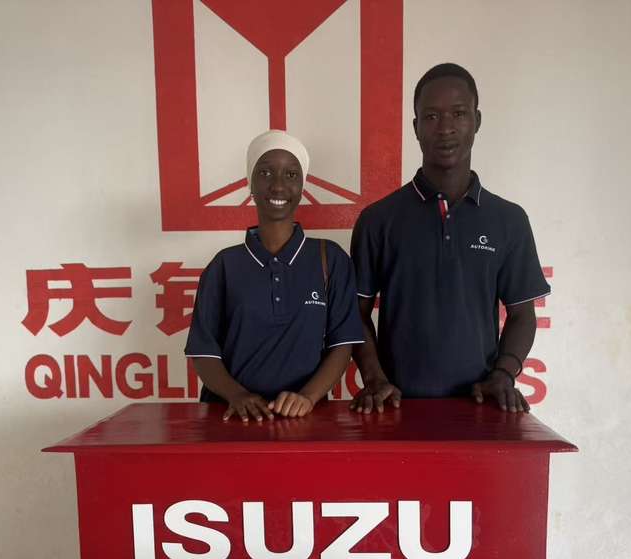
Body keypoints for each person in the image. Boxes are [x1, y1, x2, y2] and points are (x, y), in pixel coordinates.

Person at [350, 63, 550, 414]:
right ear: (415, 127)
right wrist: (375, 378)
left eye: (458, 114)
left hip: (480, 409)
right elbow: (355, 314)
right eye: (431, 116)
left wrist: (503, 374)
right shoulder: (378, 220)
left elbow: (522, 313)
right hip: (395, 411)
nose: (445, 128)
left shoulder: (508, 220)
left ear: (477, 120)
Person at [186, 130, 363, 422]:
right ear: (250, 183)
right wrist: (237, 396)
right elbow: (203, 352)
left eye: (291, 174)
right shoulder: (224, 266)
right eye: (266, 172)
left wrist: (307, 397)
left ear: (302, 186)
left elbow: (342, 344)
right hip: (233, 418)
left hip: (305, 420)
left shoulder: (330, 259)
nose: (278, 185)